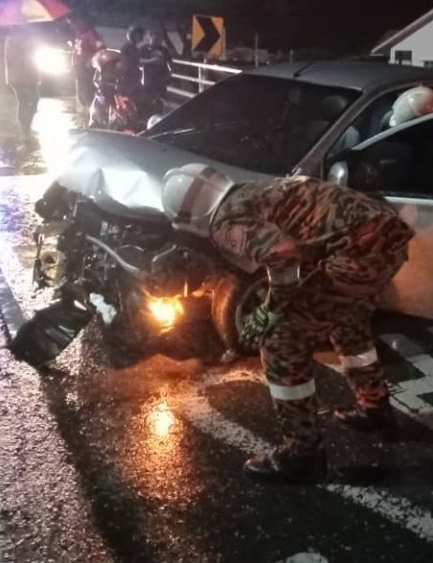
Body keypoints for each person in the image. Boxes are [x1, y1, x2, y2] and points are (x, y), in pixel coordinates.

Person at [161, 165, 415, 482]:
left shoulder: (225, 222)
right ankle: (375, 408)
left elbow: (284, 255)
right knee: (348, 320)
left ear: (190, 218)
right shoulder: (252, 190)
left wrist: (269, 311)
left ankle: (303, 453)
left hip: (356, 253)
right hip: (384, 241)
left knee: (281, 341)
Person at [4, 25, 40, 138]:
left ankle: (26, 129)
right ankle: (25, 131)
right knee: (26, 101)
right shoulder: (14, 39)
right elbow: (21, 58)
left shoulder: (23, 38)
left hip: (26, 76)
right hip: (21, 77)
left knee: (31, 101)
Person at [68, 13, 105, 114]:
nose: (72, 26)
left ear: (82, 21)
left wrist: (91, 61)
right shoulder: (80, 35)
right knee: (82, 94)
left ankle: (90, 117)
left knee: (87, 94)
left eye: (74, 23)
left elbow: (101, 49)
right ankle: (85, 115)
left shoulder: (91, 34)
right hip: (80, 70)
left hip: (87, 69)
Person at [141, 28, 172, 117]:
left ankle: (157, 119)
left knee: (159, 101)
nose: (157, 41)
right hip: (147, 79)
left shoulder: (164, 50)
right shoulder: (143, 49)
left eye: (159, 39)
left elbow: (169, 62)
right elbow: (137, 61)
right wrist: (151, 61)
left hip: (160, 80)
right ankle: (146, 119)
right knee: (146, 101)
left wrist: (169, 73)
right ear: (149, 38)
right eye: (155, 39)